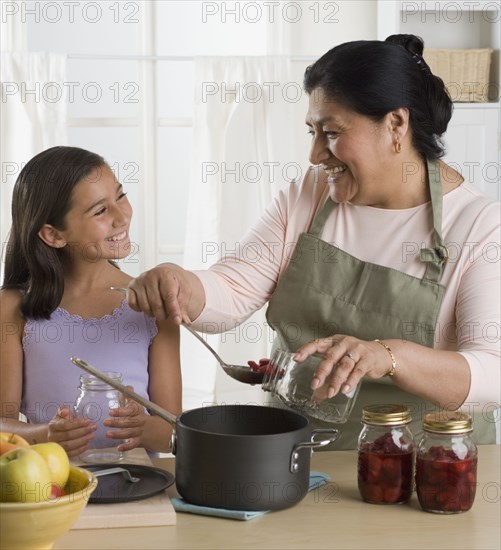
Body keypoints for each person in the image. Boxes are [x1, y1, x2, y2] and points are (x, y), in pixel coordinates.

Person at [126, 35, 500, 448]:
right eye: (312, 132)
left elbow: (493, 373)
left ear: (396, 124)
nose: (316, 153)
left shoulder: (481, 225)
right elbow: (232, 288)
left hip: (422, 469)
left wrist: (387, 355)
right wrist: (180, 284)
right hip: (293, 458)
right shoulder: (312, 192)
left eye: (332, 132)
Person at [0, 146, 182, 457]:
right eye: (100, 210)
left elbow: (175, 433)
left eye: (120, 196)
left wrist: (144, 427)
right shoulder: (14, 308)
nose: (122, 216)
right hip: (52, 489)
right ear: (53, 235)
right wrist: (43, 435)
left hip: (136, 489)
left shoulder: (153, 306)